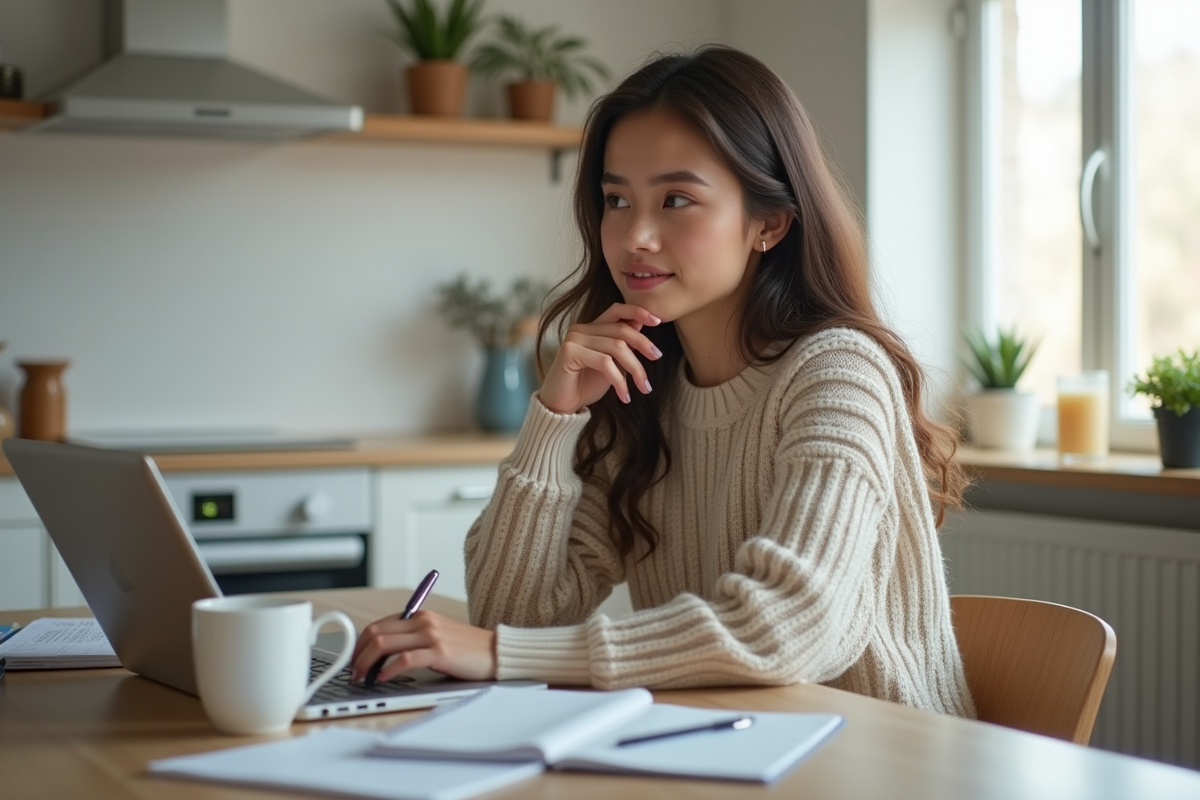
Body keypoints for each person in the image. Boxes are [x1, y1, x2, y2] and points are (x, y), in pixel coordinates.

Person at [351, 45, 976, 718]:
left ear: (769, 222)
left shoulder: (838, 372)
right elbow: (514, 615)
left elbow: (787, 627)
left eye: (676, 199)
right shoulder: (641, 389)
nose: (634, 236)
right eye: (616, 199)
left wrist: (502, 655)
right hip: (720, 749)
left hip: (881, 760)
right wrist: (554, 417)